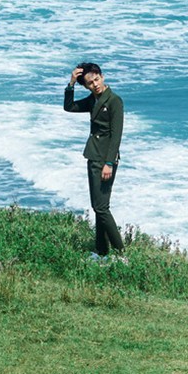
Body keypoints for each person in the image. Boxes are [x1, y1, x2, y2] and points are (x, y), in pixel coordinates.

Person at [63, 61, 125, 257]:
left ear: (102, 77)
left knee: (101, 207)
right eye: (90, 83)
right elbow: (70, 107)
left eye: (97, 79)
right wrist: (71, 83)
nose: (95, 84)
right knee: (98, 207)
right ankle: (101, 251)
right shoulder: (93, 100)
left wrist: (109, 163)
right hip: (93, 156)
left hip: (105, 159)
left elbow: (116, 135)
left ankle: (121, 253)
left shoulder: (114, 100)